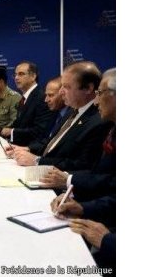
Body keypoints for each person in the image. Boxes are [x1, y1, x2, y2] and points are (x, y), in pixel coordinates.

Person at [11, 61, 112, 171]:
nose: (61, 92)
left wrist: (37, 161)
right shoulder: (72, 110)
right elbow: (52, 142)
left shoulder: (99, 121)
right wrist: (27, 149)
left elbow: (83, 164)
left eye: (66, 87)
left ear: (88, 88)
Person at [37, 68, 116, 198]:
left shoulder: (100, 122)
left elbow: (99, 176)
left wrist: (71, 186)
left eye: (100, 93)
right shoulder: (72, 111)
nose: (96, 101)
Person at [0, 61, 54, 146]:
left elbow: (39, 131)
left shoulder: (42, 97)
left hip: (31, 151)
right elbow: (18, 125)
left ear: (33, 76)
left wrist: (11, 132)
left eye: (21, 74)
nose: (16, 78)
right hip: (18, 147)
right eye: (15, 74)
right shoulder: (25, 98)